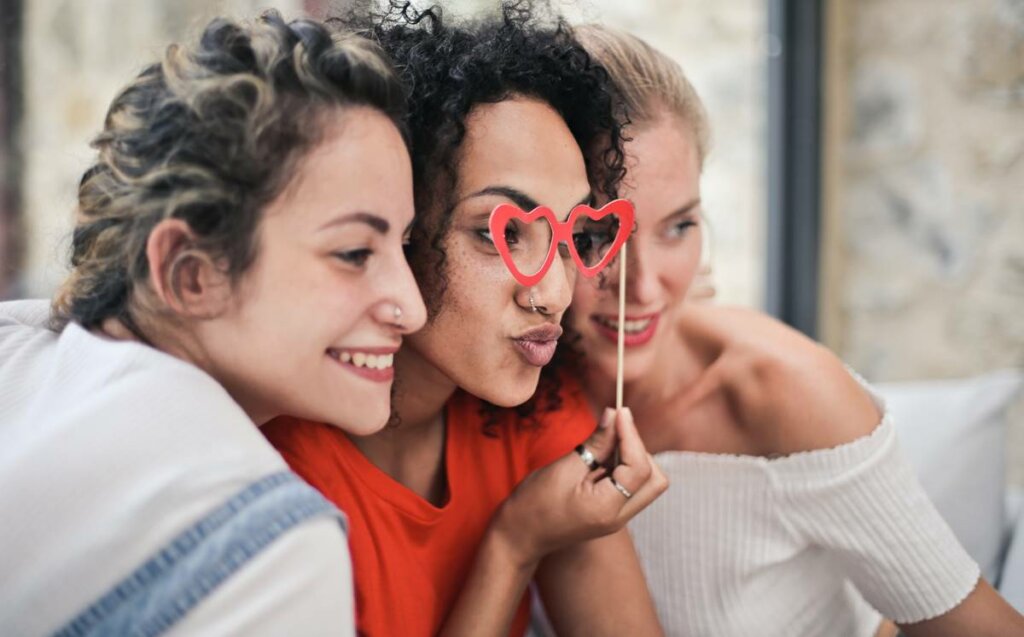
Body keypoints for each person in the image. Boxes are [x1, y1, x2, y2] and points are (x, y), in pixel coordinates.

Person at [564, 23, 1024, 637]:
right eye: (596, 237)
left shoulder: (786, 390)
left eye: (678, 226)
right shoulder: (516, 396)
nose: (645, 287)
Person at [0, 11, 427, 635]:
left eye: (406, 247)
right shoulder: (273, 550)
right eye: (354, 253)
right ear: (189, 272)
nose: (410, 309)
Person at [263, 4, 667, 636]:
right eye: (495, 232)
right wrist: (513, 545)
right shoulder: (280, 471)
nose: (553, 294)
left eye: (569, 235)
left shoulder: (537, 414)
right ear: (399, 224)